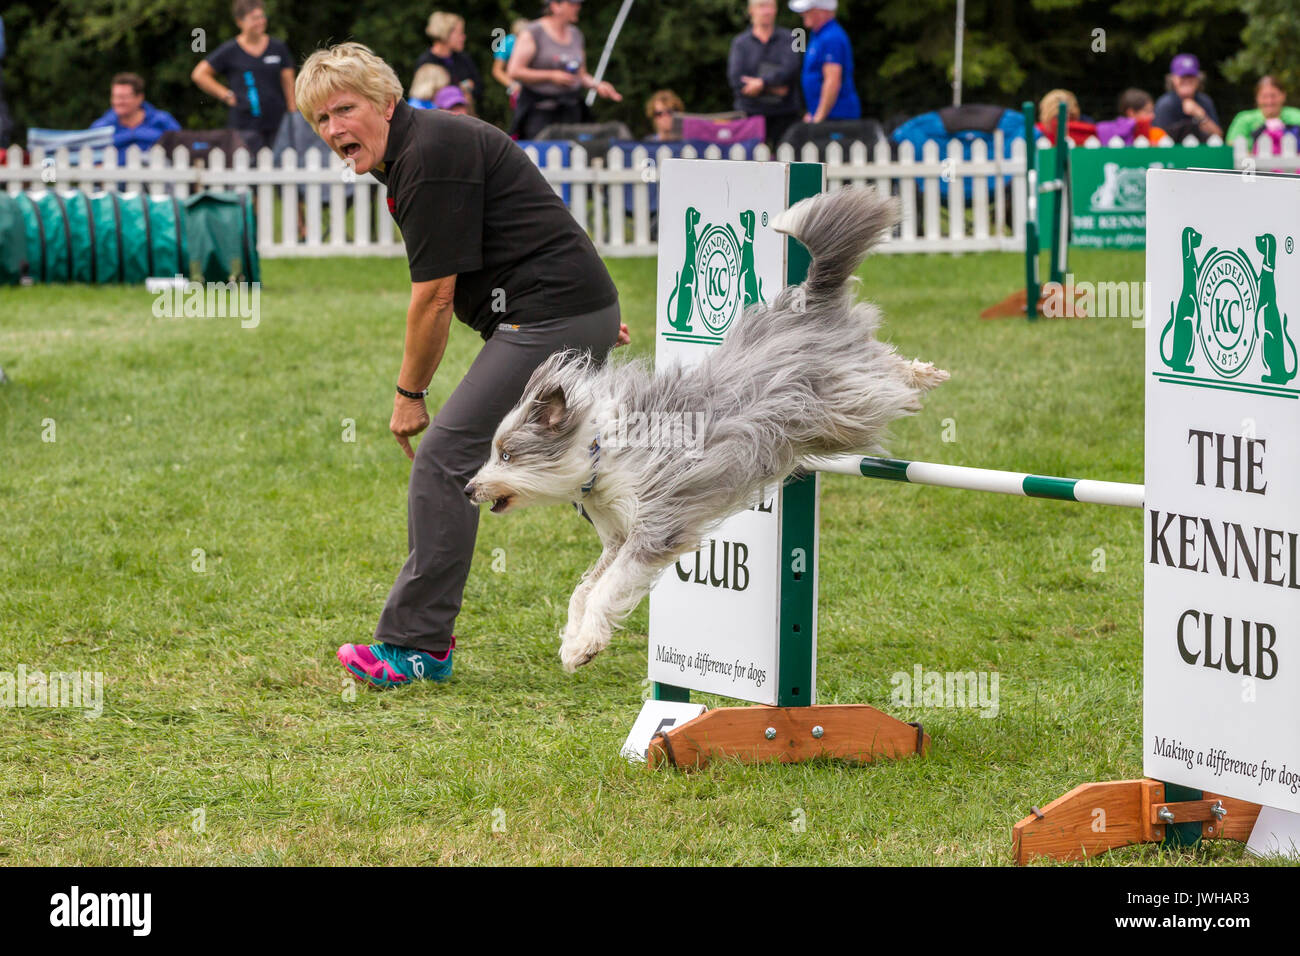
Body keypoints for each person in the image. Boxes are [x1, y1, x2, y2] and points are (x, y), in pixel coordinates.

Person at [295, 42, 629, 688]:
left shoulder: (425, 157)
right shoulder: (418, 149)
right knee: (561, 465)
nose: (334, 129)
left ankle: (418, 647)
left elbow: (435, 298)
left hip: (550, 315)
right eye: (320, 121)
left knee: (447, 460)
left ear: (387, 104)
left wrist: (409, 391)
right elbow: (526, 217)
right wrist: (588, 305)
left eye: (345, 109)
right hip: (560, 310)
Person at [191, 0, 297, 154]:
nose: (260, 22)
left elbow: (288, 82)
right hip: (244, 125)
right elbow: (199, 74)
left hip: (278, 123)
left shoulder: (278, 47)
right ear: (240, 22)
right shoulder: (230, 50)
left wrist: (293, 114)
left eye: (262, 17)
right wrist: (226, 95)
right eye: (254, 18)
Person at [507, 0, 622, 141]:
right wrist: (551, 76)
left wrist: (597, 85)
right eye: (573, 3)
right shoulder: (533, 32)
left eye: (579, 3)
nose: (578, 7)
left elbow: (581, 75)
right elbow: (514, 71)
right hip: (540, 113)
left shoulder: (576, 34)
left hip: (571, 110)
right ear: (555, 6)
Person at [728, 0, 801, 147]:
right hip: (750, 115)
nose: (766, 11)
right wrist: (773, 87)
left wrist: (760, 83)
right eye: (762, 6)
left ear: (776, 10)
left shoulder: (793, 37)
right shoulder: (739, 43)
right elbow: (736, 80)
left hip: (785, 116)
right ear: (751, 10)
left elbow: (792, 69)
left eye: (770, 6)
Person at [790, 0, 860, 123]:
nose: (803, 14)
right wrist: (813, 112)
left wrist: (819, 117)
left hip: (837, 117)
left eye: (808, 10)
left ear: (822, 11)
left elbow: (832, 80)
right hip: (827, 116)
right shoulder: (818, 35)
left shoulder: (832, 37)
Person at [90, 73, 181, 163]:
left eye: (124, 97)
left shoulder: (163, 121)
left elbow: (181, 147)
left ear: (140, 97)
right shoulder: (100, 126)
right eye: (115, 97)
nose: (118, 102)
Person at [414, 12, 482, 112]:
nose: (463, 37)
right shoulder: (426, 62)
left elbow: (479, 86)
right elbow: (422, 96)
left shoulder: (463, 58)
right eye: (460, 33)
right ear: (446, 34)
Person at [1153, 53, 1222, 142]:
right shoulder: (1164, 104)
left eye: (1191, 76)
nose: (1187, 80)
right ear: (1173, 79)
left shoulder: (1205, 101)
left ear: (1198, 79)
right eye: (1183, 76)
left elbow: (1218, 136)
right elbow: (1158, 139)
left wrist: (1200, 115)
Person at [1225, 76, 1300, 155]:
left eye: (1273, 96)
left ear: (1283, 96)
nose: (1269, 101)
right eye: (1264, 97)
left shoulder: (1297, 116)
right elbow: (1231, 146)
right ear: (1257, 98)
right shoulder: (1243, 119)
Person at [1094, 88, 1167, 146]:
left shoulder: (1158, 134)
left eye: (1152, 111)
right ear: (1131, 112)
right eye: (1147, 111)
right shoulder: (1107, 132)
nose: (1153, 116)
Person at [491, 18, 531, 112]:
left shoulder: (534, 41)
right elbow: (497, 70)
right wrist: (513, 84)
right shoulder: (507, 42)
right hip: (517, 87)